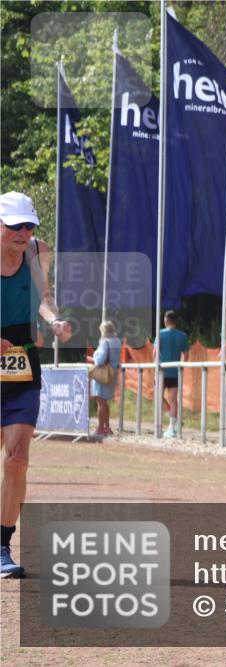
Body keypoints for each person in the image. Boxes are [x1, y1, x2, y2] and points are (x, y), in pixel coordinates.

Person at [1, 191, 72, 578]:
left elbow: (44, 297)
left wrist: (53, 321)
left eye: (29, 225)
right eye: (15, 226)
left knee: (17, 459)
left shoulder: (36, 251)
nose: (24, 233)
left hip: (22, 359)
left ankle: (2, 545)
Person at [157, 310, 189, 438]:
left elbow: (155, 353)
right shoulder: (182, 335)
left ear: (166, 320)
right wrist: (180, 367)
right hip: (175, 372)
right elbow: (186, 356)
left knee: (158, 396)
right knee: (173, 400)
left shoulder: (160, 333)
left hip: (162, 371)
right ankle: (173, 424)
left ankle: (172, 420)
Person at [87, 320, 122, 437]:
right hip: (112, 374)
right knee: (105, 402)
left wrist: (91, 359)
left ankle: (101, 427)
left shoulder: (104, 343)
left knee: (100, 402)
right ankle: (107, 427)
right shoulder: (117, 342)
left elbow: (100, 361)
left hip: (102, 375)